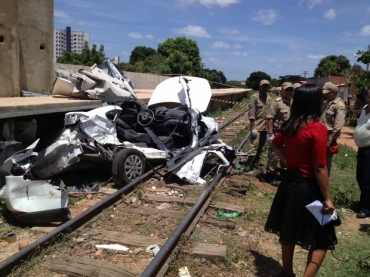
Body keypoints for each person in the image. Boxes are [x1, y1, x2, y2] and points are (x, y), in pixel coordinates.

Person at [265, 84, 337, 277]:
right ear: (315, 103)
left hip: (290, 182)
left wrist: (288, 161)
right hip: (309, 187)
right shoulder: (318, 129)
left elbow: (274, 143)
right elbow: (319, 166)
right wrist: (328, 198)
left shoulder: (291, 126)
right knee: (321, 238)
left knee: (288, 229)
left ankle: (286, 272)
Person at [265, 82, 293, 186]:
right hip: (278, 132)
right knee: (275, 155)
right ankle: (270, 175)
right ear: (282, 91)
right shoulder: (276, 102)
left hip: (288, 133)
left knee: (286, 154)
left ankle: (283, 174)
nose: (289, 92)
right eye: (287, 90)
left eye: (291, 90)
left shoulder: (292, 102)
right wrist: (270, 133)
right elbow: (270, 118)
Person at [244, 79, 272, 173]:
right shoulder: (254, 98)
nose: (265, 87)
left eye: (266, 86)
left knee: (261, 145)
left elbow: (271, 111)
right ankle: (249, 163)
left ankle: (256, 161)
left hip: (265, 126)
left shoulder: (269, 98)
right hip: (257, 125)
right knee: (254, 145)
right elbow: (251, 114)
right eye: (263, 86)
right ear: (260, 86)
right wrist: (253, 128)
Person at [320, 82, 346, 175]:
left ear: (334, 92)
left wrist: (330, 139)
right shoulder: (326, 102)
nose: (325, 94)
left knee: (326, 161)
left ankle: (325, 179)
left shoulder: (339, 105)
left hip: (329, 134)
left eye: (328, 93)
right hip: (321, 133)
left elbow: (339, 124)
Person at [354, 87, 370, 218]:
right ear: (366, 97)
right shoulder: (365, 108)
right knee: (360, 177)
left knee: (367, 179)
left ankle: (365, 208)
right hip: (362, 150)